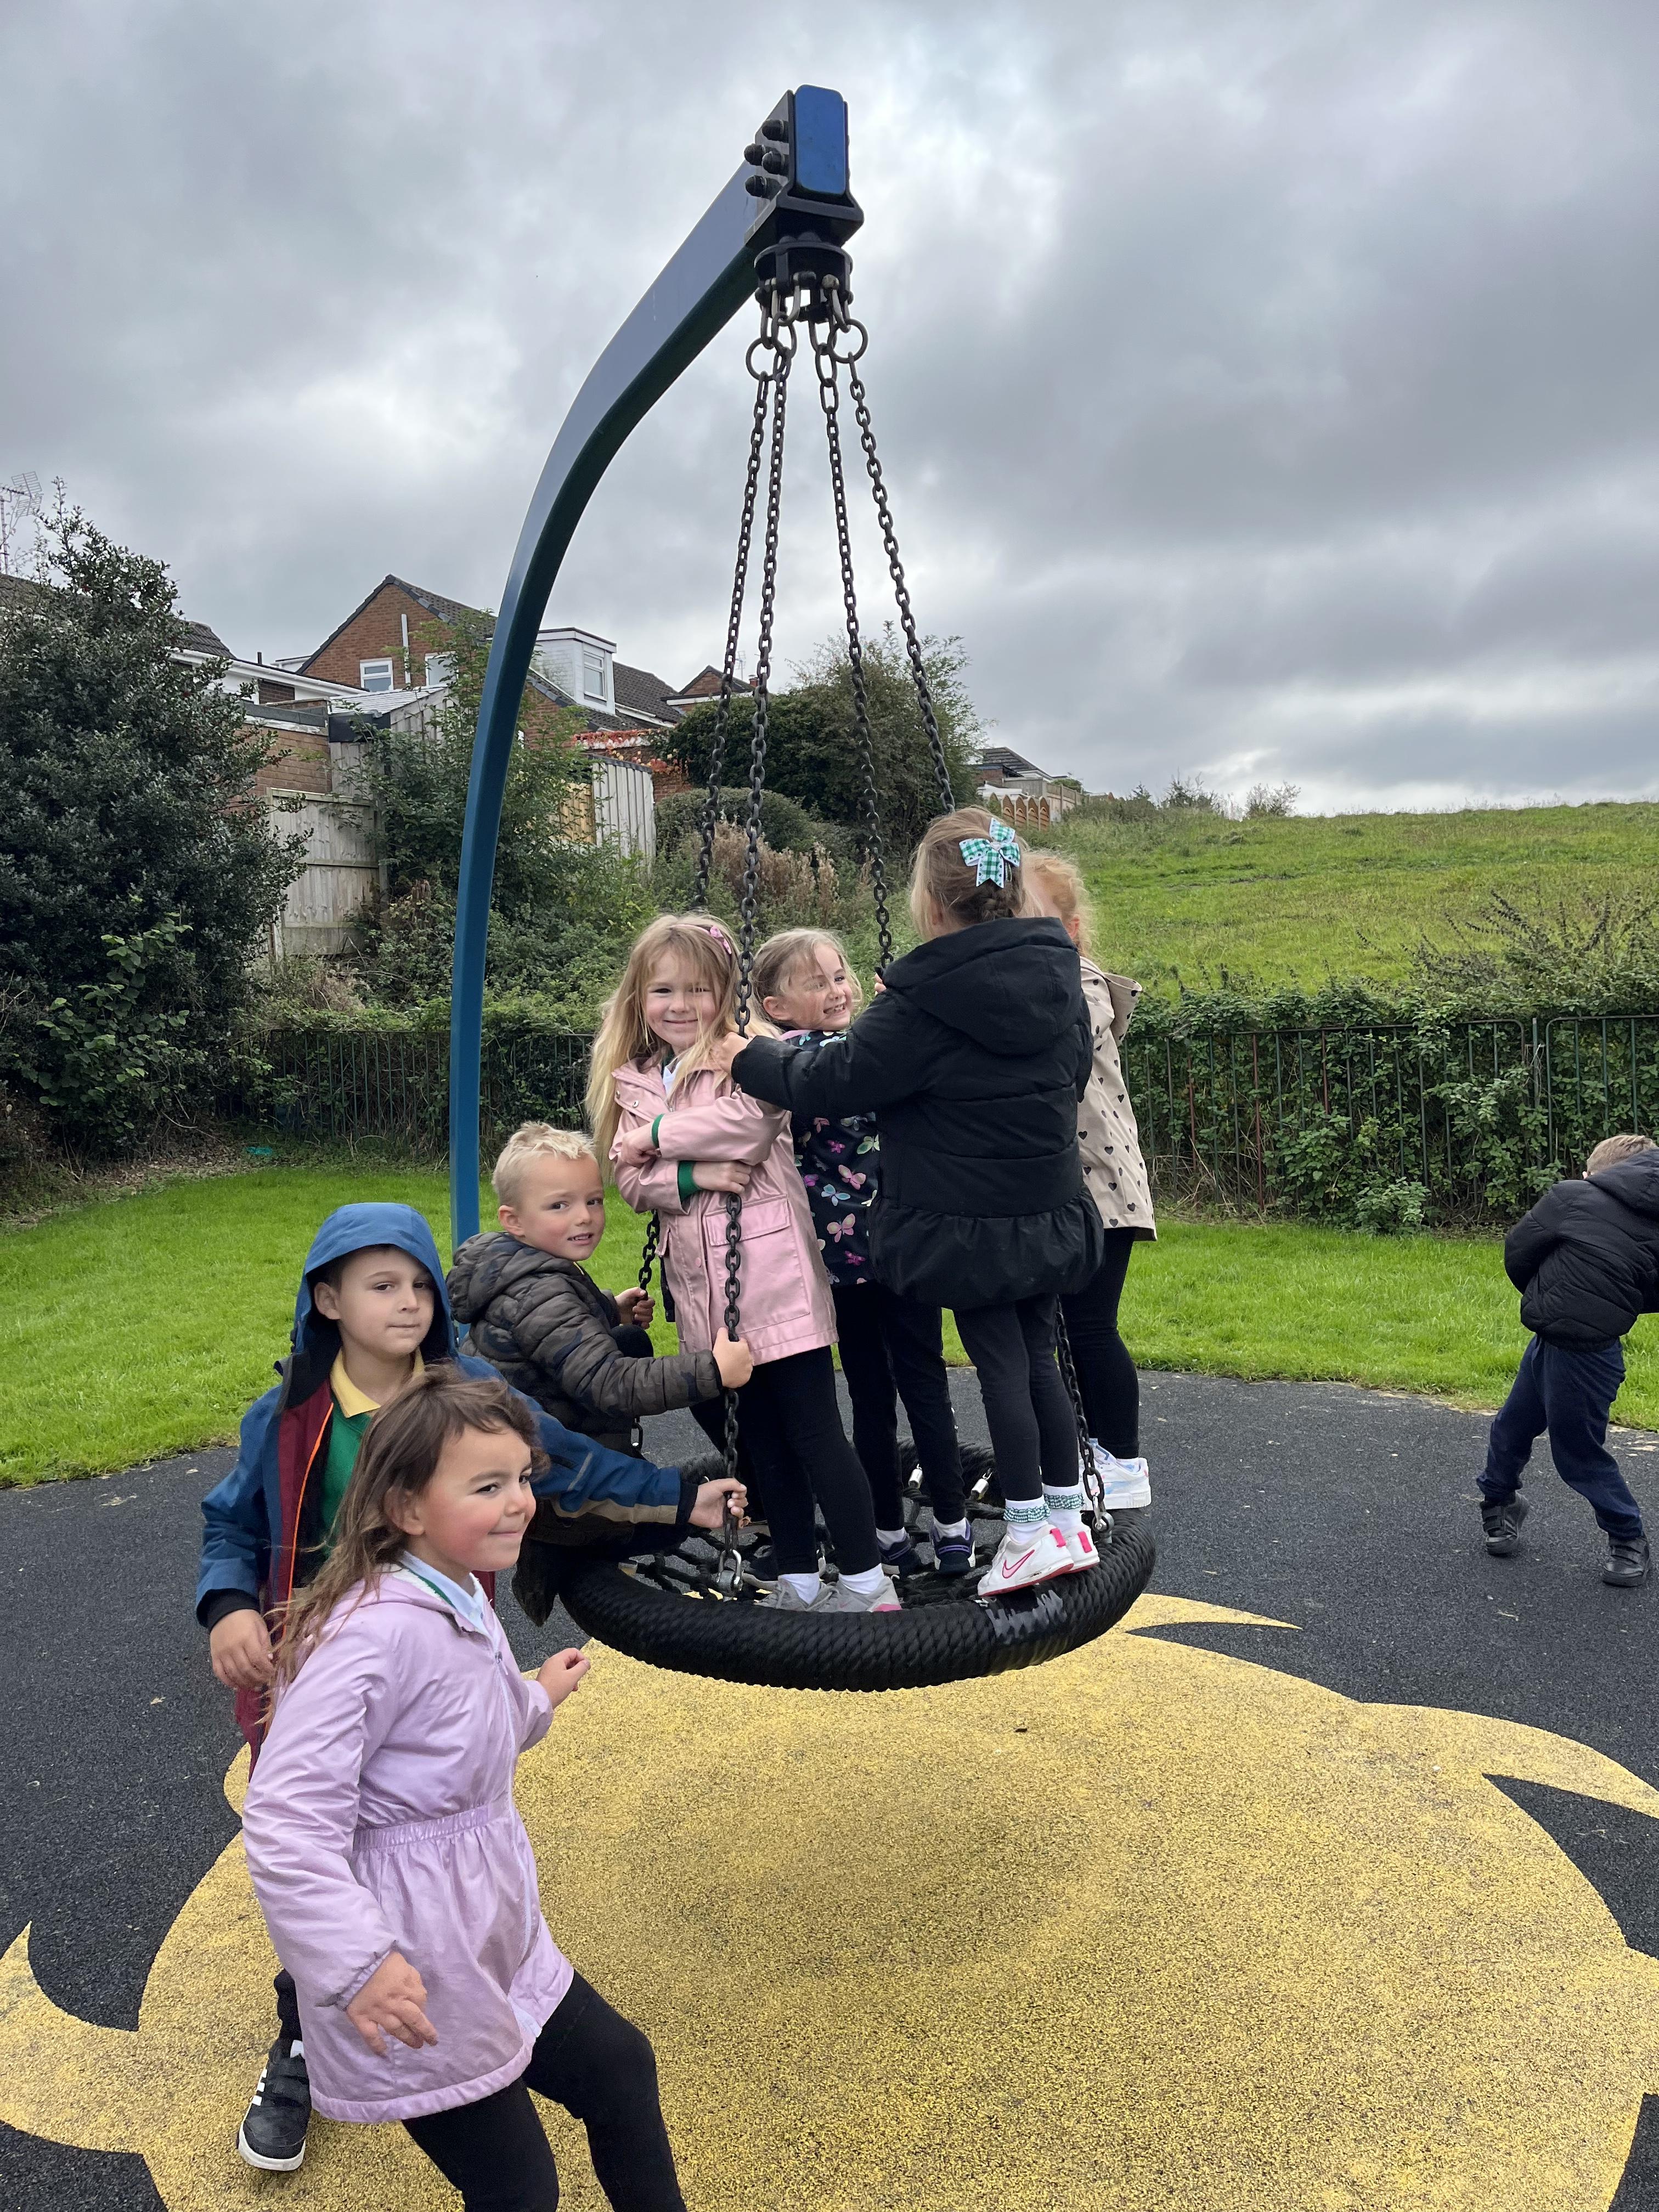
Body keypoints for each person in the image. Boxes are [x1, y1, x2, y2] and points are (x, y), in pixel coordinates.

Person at [196, 1200, 742, 2174]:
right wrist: (230, 1604)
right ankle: (307, 2036)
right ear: (327, 1301)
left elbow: (563, 1462)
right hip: (308, 1670)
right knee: (335, 1844)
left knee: (419, 1869)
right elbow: (234, 1524)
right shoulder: (289, 1419)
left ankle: (376, 1989)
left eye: (421, 1283)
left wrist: (670, 1500)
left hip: (436, 1678)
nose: (409, 1302)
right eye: (382, 1284)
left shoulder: (469, 1404)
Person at [242, 1367, 689, 2212]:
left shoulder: (455, 1594)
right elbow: (286, 1823)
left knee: (620, 2072)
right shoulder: (368, 1638)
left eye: (521, 1477)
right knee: (518, 2192)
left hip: (489, 1935)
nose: (520, 1502)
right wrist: (358, 1963)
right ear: (406, 1508)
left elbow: (457, 1733)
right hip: (414, 1966)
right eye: (488, 1487)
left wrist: (536, 1698)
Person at [713, 810, 1104, 1599]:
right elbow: (1074, 1073)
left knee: (1002, 1365)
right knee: (1038, 1357)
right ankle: (1067, 1518)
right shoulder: (1060, 977)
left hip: (970, 1224)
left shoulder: (925, 1001)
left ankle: (1029, 1530)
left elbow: (834, 1080)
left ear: (929, 903)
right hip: (1050, 1206)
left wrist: (749, 1057)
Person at [591, 911, 899, 1616]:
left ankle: (866, 1582)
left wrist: (659, 1134)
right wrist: (692, 1176)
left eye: (697, 989)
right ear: (640, 998)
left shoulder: (752, 1055)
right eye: (663, 990)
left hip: (775, 1273)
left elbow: (751, 1128)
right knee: (760, 1439)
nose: (679, 1005)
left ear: (726, 992)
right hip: (703, 1289)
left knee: (815, 1432)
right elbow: (629, 1178)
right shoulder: (635, 1077)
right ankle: (799, 1578)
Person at [448, 1123, 754, 1619]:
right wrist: (714, 1370)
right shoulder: (540, 1292)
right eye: (560, 1206)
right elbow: (610, 1384)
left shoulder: (518, 1267)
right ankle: (562, 1543)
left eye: (593, 1201)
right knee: (674, 1520)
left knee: (628, 1339)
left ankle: (566, 1530)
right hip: (549, 1478)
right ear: (514, 1220)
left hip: (533, 1443)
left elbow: (547, 1335)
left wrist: (608, 1309)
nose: (585, 1217)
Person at [750, 926, 973, 1576]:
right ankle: (940, 1525)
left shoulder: (785, 1065)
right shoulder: (823, 1058)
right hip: (889, 1251)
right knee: (916, 1385)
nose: (837, 990)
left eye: (840, 976)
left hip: (859, 1256)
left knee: (878, 1393)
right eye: (815, 983)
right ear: (776, 1006)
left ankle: (899, 1529)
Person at [1023, 848, 1156, 1512]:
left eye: (1035, 918)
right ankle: (1089, 1449)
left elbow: (1054, 1031)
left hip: (1102, 1189)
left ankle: (1122, 1458)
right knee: (1065, 1332)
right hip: (1075, 1188)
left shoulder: (1080, 983)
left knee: (1091, 1327)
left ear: (1071, 930)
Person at [1480, 1131, 1659, 1588]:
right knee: (1512, 1426)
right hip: (1554, 1340)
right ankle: (1499, 1503)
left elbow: (1518, 1252)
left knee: (1577, 1453)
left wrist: (1552, 1298)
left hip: (1588, 1356)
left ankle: (1628, 1537)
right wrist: (1600, 1306)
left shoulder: (1572, 1194)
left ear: (1594, 1173)